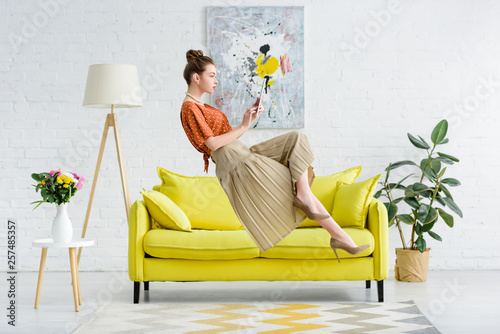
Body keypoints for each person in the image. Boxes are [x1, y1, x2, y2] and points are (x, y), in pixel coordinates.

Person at [180, 49, 368, 262]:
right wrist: (243, 126)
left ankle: (326, 222)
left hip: (243, 153)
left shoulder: (200, 106)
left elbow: (223, 137)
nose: (216, 80)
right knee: (298, 186)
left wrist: (247, 121)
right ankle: (339, 235)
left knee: (296, 140)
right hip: (237, 163)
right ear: (197, 77)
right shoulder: (189, 107)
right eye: (212, 75)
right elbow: (213, 144)